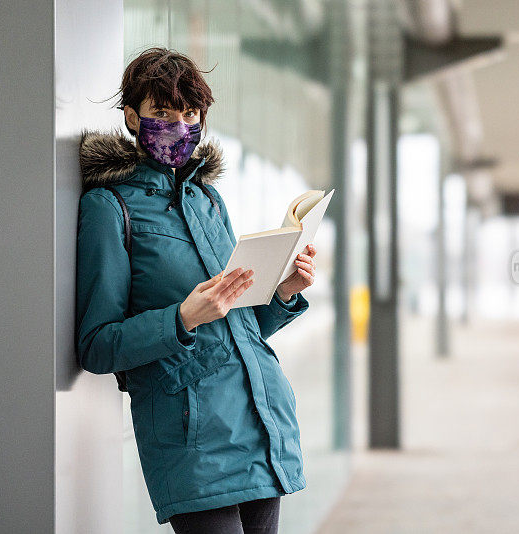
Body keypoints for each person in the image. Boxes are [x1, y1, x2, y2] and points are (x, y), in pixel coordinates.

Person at [75, 47, 316, 533]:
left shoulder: (207, 199)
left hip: (260, 423)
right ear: (130, 116)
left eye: (190, 112)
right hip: (193, 437)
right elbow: (97, 346)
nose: (179, 124)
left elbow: (237, 322)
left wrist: (284, 292)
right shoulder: (110, 206)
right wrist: (181, 318)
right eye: (161, 112)